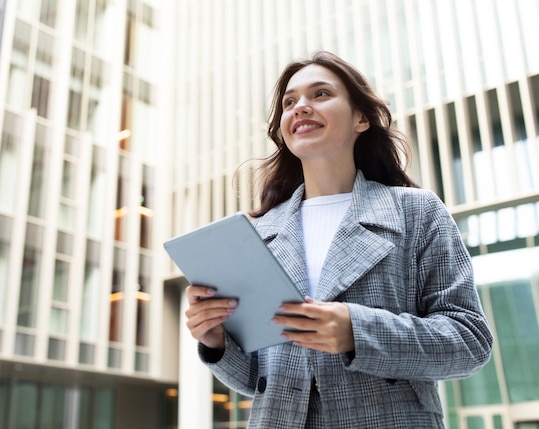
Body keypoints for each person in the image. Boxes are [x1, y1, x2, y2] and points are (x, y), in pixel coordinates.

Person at [185, 51, 493, 428]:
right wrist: (216, 341)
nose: (301, 107)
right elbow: (256, 381)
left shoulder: (416, 212)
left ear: (361, 119)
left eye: (320, 94)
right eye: (289, 101)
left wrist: (356, 331)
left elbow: (469, 341)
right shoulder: (259, 234)